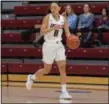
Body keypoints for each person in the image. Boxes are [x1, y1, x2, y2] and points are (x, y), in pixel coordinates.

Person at [26, 2, 72, 99]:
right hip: (48, 45)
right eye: (51, 7)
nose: (53, 9)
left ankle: (64, 91)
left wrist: (72, 39)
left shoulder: (63, 19)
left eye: (55, 7)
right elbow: (42, 32)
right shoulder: (47, 17)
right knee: (47, 69)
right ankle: (32, 77)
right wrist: (52, 28)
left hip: (59, 45)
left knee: (62, 67)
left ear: (59, 8)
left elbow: (67, 33)